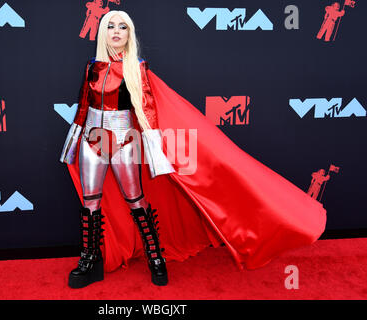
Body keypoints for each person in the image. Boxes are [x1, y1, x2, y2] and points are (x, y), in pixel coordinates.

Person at [61, 10, 327, 289]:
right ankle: (90, 258)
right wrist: (73, 141)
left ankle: (154, 255)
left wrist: (154, 148)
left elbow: (149, 109)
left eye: (123, 27)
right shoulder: (92, 66)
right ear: (103, 32)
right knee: (90, 201)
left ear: (129, 34)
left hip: (123, 141)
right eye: (111, 26)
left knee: (135, 200)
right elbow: (82, 107)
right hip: (92, 139)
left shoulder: (136, 67)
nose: (116, 31)